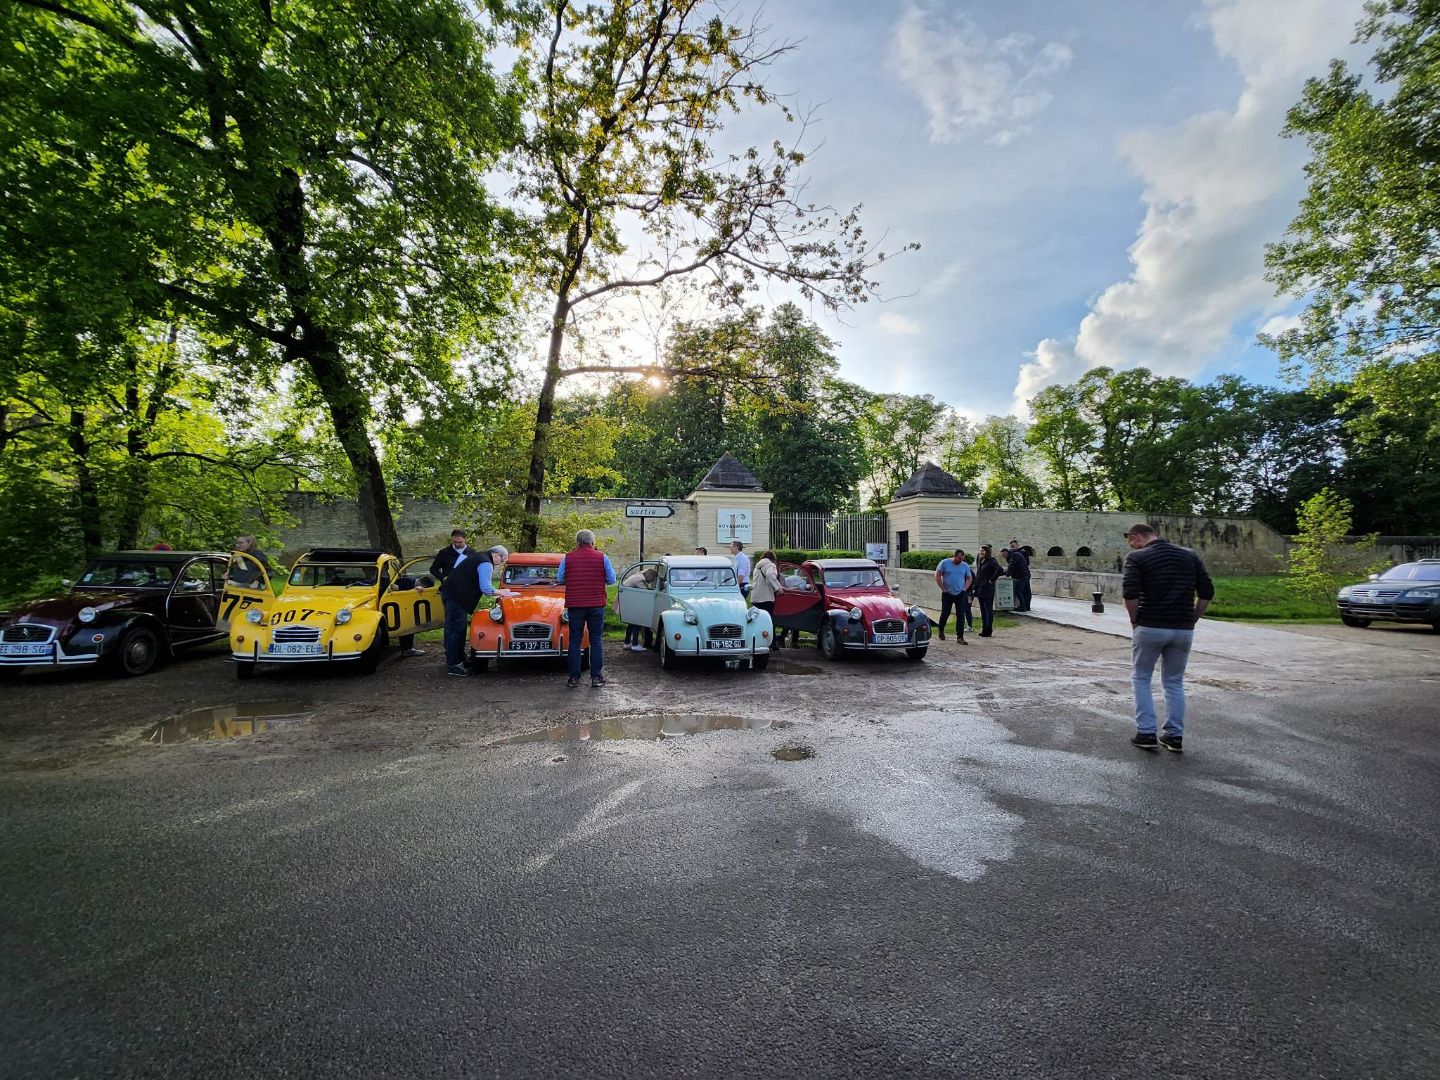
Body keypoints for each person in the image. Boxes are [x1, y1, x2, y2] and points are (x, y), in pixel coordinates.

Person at [1122, 523, 1214, 754]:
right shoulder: (1190, 556)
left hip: (1151, 624)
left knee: (1141, 677)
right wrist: (1192, 619)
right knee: (1174, 681)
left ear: (1136, 537)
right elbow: (1206, 592)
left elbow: (1130, 593)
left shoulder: (1136, 557)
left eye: (1129, 540)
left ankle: (1146, 732)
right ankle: (1174, 736)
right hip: (1183, 628)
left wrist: (1135, 620)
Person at [558, 529, 616, 688]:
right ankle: (596, 678)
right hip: (596, 604)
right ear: (592, 542)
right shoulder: (602, 557)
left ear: (578, 542)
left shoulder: (568, 558)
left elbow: (560, 578)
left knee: (574, 641)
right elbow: (611, 580)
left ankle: (574, 678)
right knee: (596, 640)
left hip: (575, 604)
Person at [932, 549, 972, 643]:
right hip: (947, 593)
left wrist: (964, 589)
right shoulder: (944, 563)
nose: (960, 561)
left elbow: (969, 578)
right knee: (945, 613)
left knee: (961, 614)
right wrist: (943, 589)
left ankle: (960, 637)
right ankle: (941, 630)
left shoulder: (965, 565)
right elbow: (937, 576)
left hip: (960, 593)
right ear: (954, 556)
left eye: (962, 559)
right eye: (958, 559)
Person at [749, 549, 785, 646]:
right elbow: (770, 576)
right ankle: (771, 644)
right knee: (768, 621)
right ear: (773, 558)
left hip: (755, 597)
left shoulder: (757, 566)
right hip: (766, 597)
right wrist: (778, 588)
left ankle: (758, 643)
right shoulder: (771, 565)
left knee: (758, 621)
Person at [619, 566, 657, 651]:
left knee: (630, 623)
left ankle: (627, 643)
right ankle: (635, 644)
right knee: (636, 622)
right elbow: (645, 592)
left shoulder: (639, 575)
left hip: (628, 600)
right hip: (630, 601)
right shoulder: (640, 580)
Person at [973, 544, 1003, 638]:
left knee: (988, 610)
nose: (981, 552)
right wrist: (975, 587)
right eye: (980, 550)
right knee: (982, 610)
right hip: (980, 588)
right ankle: (984, 629)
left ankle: (988, 629)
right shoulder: (980, 560)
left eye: (983, 551)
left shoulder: (992, 561)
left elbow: (1000, 570)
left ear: (987, 552)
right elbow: (979, 574)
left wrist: (991, 580)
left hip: (988, 588)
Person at [1006, 539, 1032, 612]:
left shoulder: (1021, 552)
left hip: (1023, 575)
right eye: (1011, 546)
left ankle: (1025, 606)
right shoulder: (1013, 554)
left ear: (1017, 545)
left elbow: (1025, 563)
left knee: (1024, 591)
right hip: (1022, 575)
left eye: (1013, 546)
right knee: (1023, 591)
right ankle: (1025, 606)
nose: (1012, 548)